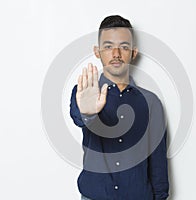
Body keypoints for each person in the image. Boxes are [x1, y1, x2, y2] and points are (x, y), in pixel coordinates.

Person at [70, 15, 169, 200]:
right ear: (97, 51)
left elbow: (158, 161)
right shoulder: (84, 92)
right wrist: (88, 114)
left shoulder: (151, 102)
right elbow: (78, 117)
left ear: (133, 52)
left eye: (123, 47)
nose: (116, 53)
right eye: (108, 47)